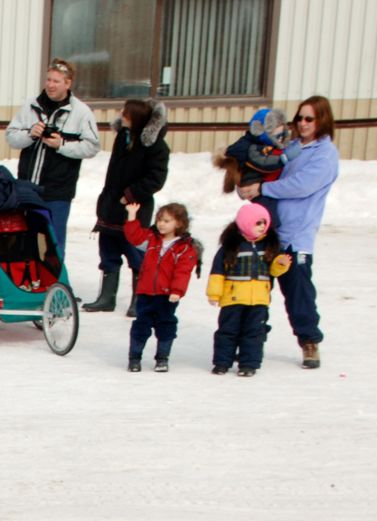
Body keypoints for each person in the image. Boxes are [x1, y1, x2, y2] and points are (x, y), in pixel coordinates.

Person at [240, 95, 339, 369]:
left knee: (299, 293)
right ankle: (251, 340)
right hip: (266, 231)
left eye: (310, 119)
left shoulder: (325, 155)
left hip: (296, 236)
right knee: (255, 291)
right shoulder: (289, 146)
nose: (304, 123)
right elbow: (266, 169)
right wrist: (247, 183)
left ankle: (309, 341)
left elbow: (301, 185)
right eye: (300, 118)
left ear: (322, 120)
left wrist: (263, 189)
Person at [4, 58, 100, 259]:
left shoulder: (81, 112)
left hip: (58, 189)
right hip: (28, 187)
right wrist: (30, 134)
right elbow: (11, 137)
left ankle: (54, 283)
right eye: (48, 80)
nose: (50, 85)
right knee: (26, 236)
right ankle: (28, 282)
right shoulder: (31, 105)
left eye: (56, 81)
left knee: (54, 241)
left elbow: (92, 147)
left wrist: (62, 145)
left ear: (68, 83)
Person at [85, 99, 170, 315]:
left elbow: (156, 179)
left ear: (137, 118)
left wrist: (130, 195)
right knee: (108, 252)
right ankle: (106, 297)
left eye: (126, 113)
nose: (122, 116)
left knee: (136, 254)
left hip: (134, 208)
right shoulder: (121, 138)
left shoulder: (156, 146)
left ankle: (138, 300)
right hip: (111, 204)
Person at [206, 201, 289, 377]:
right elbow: (218, 272)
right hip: (233, 298)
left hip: (259, 300)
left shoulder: (270, 245)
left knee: (254, 332)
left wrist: (281, 264)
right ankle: (222, 362)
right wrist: (214, 293)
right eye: (258, 223)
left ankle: (249, 364)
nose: (262, 227)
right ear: (245, 223)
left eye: (265, 223)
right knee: (228, 331)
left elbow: (273, 271)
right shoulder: (231, 246)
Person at [122, 200, 198, 373]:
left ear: (179, 223)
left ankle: (162, 357)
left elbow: (183, 271)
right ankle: (134, 357)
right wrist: (132, 215)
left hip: (167, 295)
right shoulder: (151, 238)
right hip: (146, 292)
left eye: (166, 221)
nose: (161, 224)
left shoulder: (185, 247)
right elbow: (133, 236)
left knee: (165, 325)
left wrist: (177, 291)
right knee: (141, 325)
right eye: (159, 220)